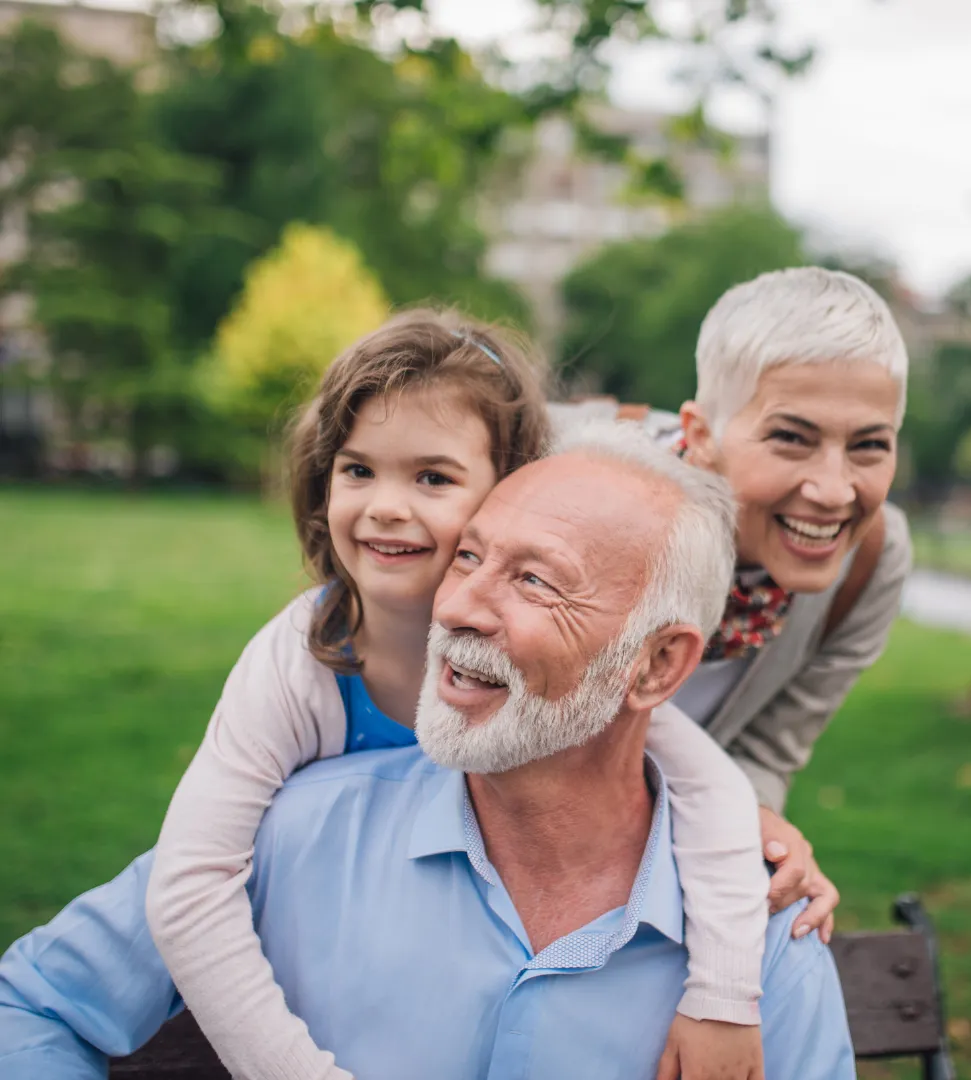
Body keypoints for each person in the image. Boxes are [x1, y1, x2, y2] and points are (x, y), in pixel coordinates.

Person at [0, 424, 855, 1080]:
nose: (460, 607)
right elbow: (27, 1006)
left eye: (533, 579)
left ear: (657, 665)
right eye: (469, 557)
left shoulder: (762, 938)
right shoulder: (295, 836)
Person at [140, 310, 770, 1080]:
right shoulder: (303, 657)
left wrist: (724, 995)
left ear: (511, 488)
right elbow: (191, 881)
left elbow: (711, 791)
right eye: (357, 469)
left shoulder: (566, 669)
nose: (386, 506)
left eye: (432, 477)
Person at [554, 266, 912, 943]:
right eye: (791, 438)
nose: (835, 491)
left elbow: (767, 752)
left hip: (649, 861)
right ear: (701, 433)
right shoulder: (568, 483)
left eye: (869, 445)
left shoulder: (871, 563)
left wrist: (757, 833)